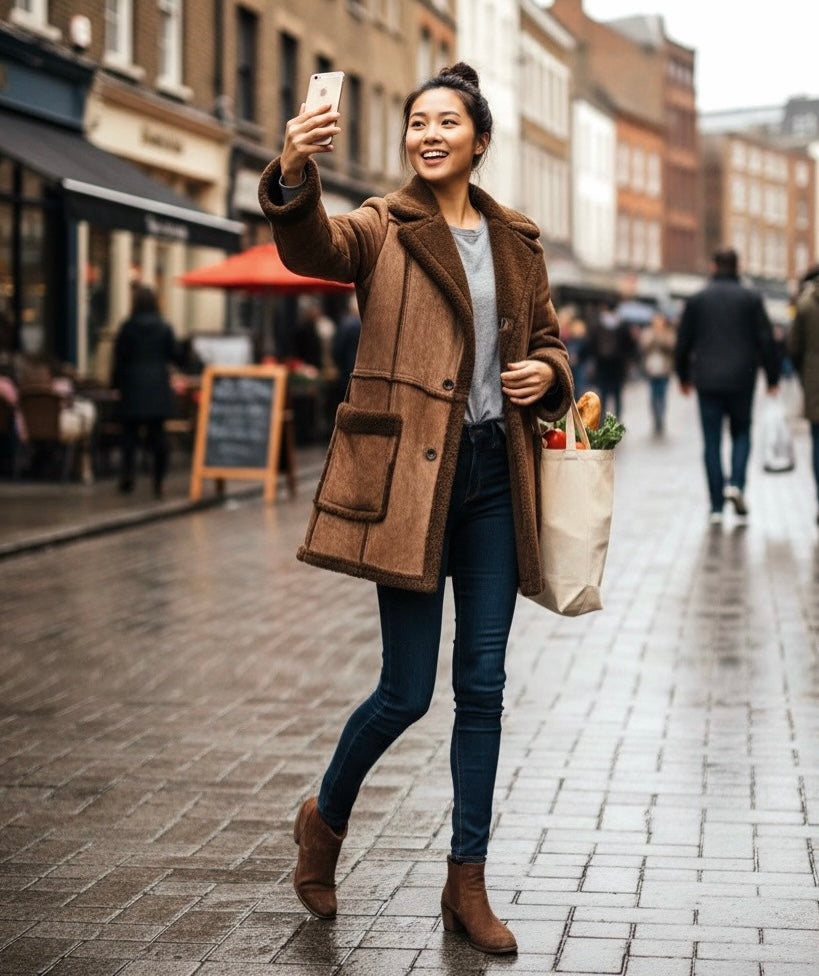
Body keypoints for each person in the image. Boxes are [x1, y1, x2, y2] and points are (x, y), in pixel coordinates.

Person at [258, 62, 573, 955]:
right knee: (404, 691)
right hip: (409, 482)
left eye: (445, 122)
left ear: (479, 140)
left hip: (493, 478)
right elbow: (314, 250)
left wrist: (546, 372)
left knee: (483, 685)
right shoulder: (381, 225)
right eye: (416, 123)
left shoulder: (517, 240)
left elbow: (548, 339)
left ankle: (466, 882)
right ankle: (323, 820)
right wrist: (293, 169)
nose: (428, 135)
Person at [675, 247, 780, 522]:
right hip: (742, 379)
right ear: (738, 266)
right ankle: (736, 485)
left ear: (713, 266)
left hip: (707, 380)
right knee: (741, 434)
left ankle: (716, 506)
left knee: (711, 441)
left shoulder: (697, 300)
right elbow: (767, 340)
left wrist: (683, 376)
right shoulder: (751, 298)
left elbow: (683, 342)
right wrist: (773, 378)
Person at [111, 285, 179, 499]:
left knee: (129, 435)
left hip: (132, 386)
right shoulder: (164, 327)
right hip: (157, 387)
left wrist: (115, 386)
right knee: (158, 435)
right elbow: (175, 355)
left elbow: (119, 359)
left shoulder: (127, 327)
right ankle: (158, 481)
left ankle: (128, 475)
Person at [787, 264, 819, 522]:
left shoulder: (806, 305)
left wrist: (804, 374)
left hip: (815, 382)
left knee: (818, 443)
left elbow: (793, 347)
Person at [589, 302, 635, 419]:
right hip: (618, 367)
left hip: (602, 366)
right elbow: (630, 346)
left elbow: (591, 344)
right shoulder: (623, 325)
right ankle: (617, 420)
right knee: (617, 395)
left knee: (603, 395)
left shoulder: (598, 325)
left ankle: (601, 420)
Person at [641, 312, 676, 435]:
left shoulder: (668, 333)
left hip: (664, 369)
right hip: (652, 369)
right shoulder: (648, 332)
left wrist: (661, 337)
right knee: (653, 396)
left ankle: (661, 417)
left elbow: (672, 346)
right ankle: (655, 418)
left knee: (662, 395)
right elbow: (644, 346)